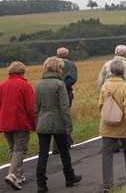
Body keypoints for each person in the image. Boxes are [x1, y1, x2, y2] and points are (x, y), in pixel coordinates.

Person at [35, 57, 81, 193]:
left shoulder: (39, 84)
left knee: (42, 154)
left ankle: (41, 183)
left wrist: (37, 122)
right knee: (64, 152)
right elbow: (64, 107)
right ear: (58, 68)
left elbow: (35, 107)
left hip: (43, 123)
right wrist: (68, 126)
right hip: (58, 122)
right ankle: (69, 177)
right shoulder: (59, 84)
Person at [98, 60, 126, 192]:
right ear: (123, 72)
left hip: (107, 126)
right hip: (123, 127)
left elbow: (101, 106)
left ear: (111, 72)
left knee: (107, 155)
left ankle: (108, 185)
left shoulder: (105, 86)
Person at [0, 62, 35, 190]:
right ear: (22, 72)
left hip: (5, 122)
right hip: (20, 122)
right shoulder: (25, 86)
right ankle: (12, 175)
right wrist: (34, 123)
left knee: (12, 149)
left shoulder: (2, 86)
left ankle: (18, 176)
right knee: (20, 150)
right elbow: (31, 108)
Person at [97, 45, 126, 142]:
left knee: (111, 115)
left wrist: (100, 94)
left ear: (115, 52)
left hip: (108, 94)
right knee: (124, 116)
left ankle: (113, 140)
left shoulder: (107, 64)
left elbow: (100, 80)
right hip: (124, 92)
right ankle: (125, 137)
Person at [52, 47, 78, 154]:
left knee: (56, 115)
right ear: (67, 54)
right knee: (65, 115)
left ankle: (58, 144)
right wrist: (63, 87)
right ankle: (64, 142)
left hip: (51, 93)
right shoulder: (71, 64)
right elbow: (73, 79)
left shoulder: (51, 63)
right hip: (66, 92)